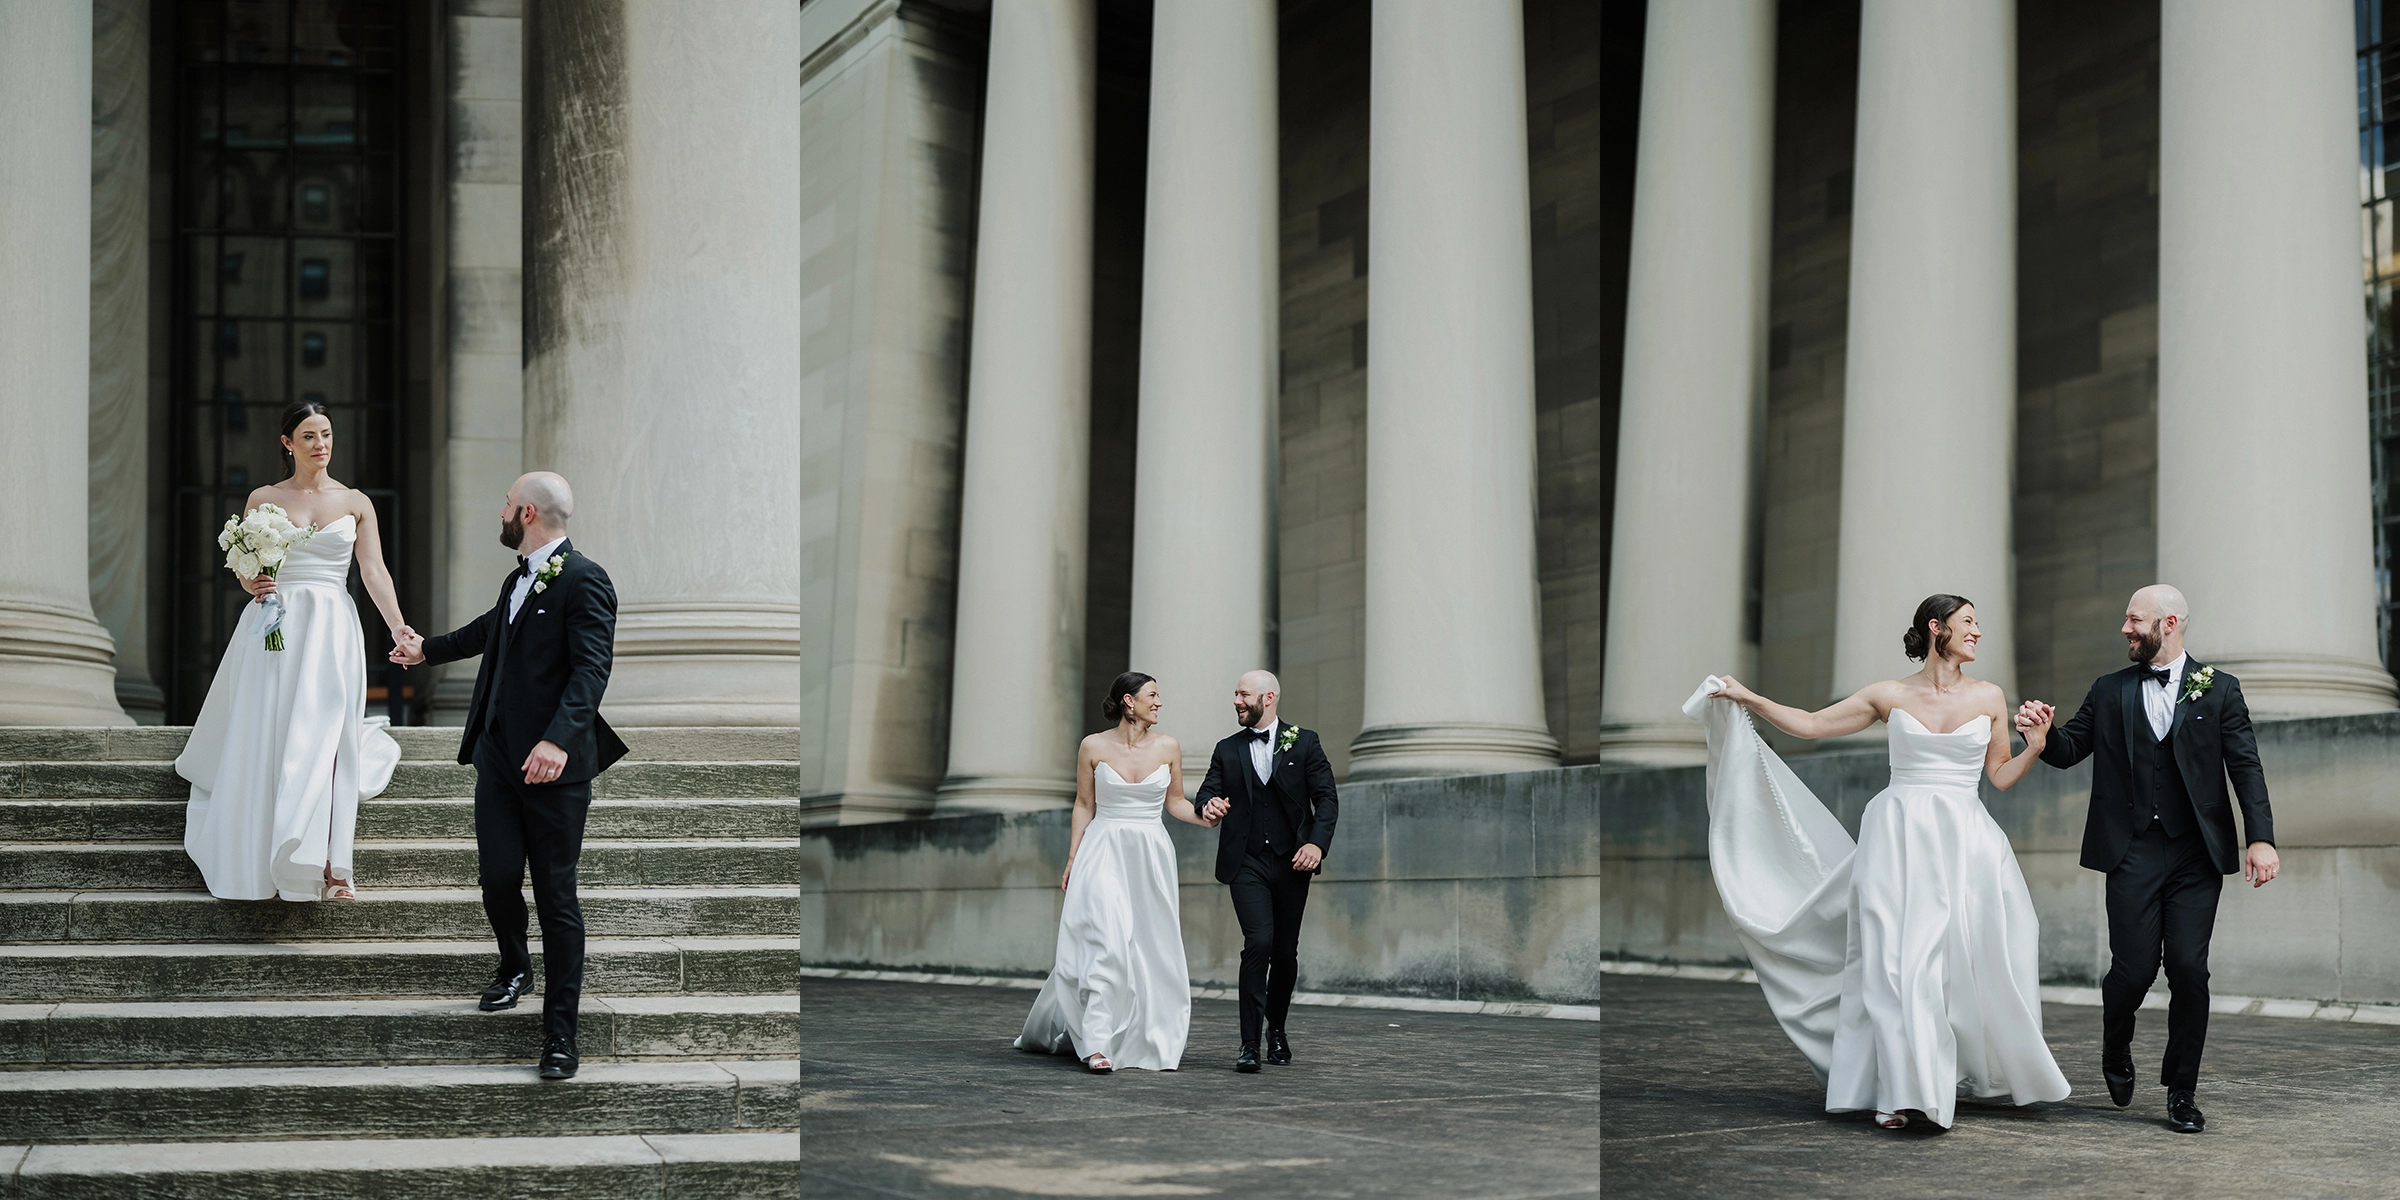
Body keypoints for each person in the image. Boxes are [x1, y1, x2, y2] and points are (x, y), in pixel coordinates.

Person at [1697, 594, 2072, 1129]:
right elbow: (1807, 725)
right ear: (1936, 628)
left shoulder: (1991, 696)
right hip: (1896, 839)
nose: (1978, 633)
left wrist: (2034, 746)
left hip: (1967, 844)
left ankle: (1939, 1077)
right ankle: (1902, 1091)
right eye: (1969, 623)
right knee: (1897, 964)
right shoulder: (1887, 694)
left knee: (1960, 964)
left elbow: (1999, 777)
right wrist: (1745, 695)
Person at [389, 471, 627, 1081]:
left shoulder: (584, 579)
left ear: (525, 513)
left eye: (504, 503)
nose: (499, 510)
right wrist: (426, 650)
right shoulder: (516, 578)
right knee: (497, 880)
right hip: (497, 761)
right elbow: (490, 632)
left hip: (554, 771)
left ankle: (560, 1037)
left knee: (556, 899)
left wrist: (557, 740)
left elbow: (590, 672)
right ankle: (514, 967)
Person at [2014, 584, 2277, 1134]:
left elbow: (2245, 767)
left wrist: (2261, 837)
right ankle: (2116, 1044)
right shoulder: (2109, 691)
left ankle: (2182, 1091)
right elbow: (2069, 751)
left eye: (2135, 620)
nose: (2126, 629)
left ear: (2170, 622)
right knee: (2132, 971)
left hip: (2195, 855)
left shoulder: (2220, 690)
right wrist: (2041, 737)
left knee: (2188, 967)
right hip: (2130, 850)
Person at [177, 400, 404, 903]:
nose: (320, 444)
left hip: (331, 627)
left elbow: (373, 571)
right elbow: (246, 560)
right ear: (288, 443)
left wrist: (398, 628)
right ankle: (265, 854)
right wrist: (249, 580)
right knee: (274, 732)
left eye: (326, 434)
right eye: (308, 436)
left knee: (324, 734)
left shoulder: (356, 502)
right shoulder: (263, 497)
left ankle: (331, 864)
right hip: (273, 624)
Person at [1016, 672, 1220, 1072]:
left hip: (1150, 855)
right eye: (1153, 695)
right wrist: (1073, 857)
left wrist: (1205, 818)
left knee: (1148, 946)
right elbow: (1083, 804)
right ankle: (1096, 1044)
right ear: (1129, 701)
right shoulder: (1092, 745)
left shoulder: (1169, 746)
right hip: (1102, 849)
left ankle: (1146, 1035)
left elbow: (1175, 802)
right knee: (1106, 943)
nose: (1159, 703)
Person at [1191, 670, 1338, 1073]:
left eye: (1243, 694)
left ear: (1268, 697)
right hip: (1247, 861)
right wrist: (1208, 805)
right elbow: (1207, 789)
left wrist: (1316, 843)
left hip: (1293, 861)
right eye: (1235, 694)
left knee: (1284, 951)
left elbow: (1326, 798)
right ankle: (1248, 1044)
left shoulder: (1305, 741)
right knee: (1258, 941)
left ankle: (1277, 1030)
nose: (1236, 701)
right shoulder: (1226, 748)